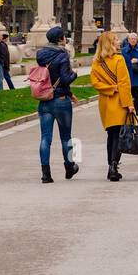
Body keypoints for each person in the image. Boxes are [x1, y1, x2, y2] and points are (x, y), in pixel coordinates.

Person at [36, 26, 80, 183]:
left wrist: (70, 94)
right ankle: (69, 166)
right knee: (65, 137)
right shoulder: (62, 55)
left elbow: (51, 78)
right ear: (60, 39)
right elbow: (65, 79)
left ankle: (45, 173)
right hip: (61, 101)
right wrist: (75, 73)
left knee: (45, 138)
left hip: (45, 100)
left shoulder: (40, 54)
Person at [88, 31, 134, 182]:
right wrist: (129, 104)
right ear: (110, 43)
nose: (119, 41)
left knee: (111, 135)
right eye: (115, 39)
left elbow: (95, 82)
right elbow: (124, 84)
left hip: (105, 103)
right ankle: (114, 166)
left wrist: (107, 88)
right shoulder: (119, 60)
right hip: (119, 102)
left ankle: (111, 166)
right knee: (118, 137)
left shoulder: (96, 62)